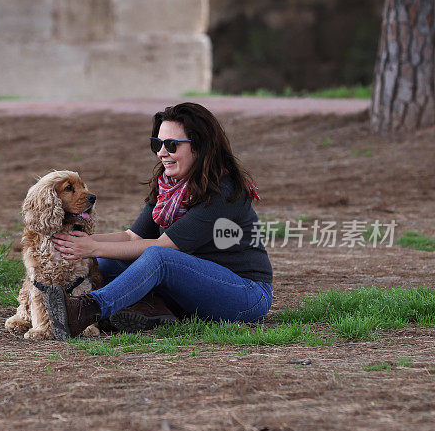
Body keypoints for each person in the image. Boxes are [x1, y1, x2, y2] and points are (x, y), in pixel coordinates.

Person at [44, 102, 273, 341]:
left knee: (157, 258)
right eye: (157, 144)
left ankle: (85, 311)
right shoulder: (169, 186)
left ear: (201, 146)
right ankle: (151, 309)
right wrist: (79, 242)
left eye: (171, 145)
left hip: (245, 294)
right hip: (189, 286)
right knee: (105, 262)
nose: (162, 153)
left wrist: (92, 246)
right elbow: (132, 237)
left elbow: (166, 248)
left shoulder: (223, 190)